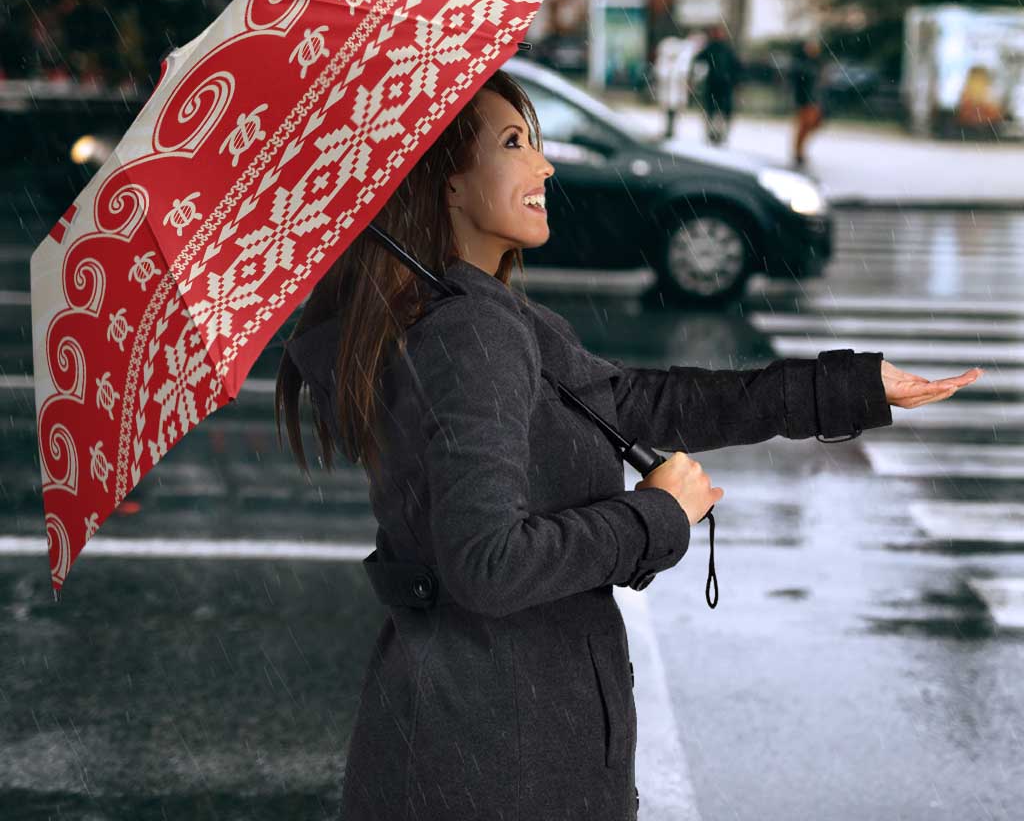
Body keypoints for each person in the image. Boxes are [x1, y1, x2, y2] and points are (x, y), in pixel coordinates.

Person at [276, 68, 982, 821]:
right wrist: (655, 516)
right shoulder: (471, 333)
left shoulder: (470, 316)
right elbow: (488, 564)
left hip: (473, 737)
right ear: (446, 182)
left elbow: (640, 403)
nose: (544, 165)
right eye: (514, 143)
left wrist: (849, 387)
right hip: (499, 758)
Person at [692, 23, 742, 146]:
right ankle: (713, 134)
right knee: (714, 111)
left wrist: (735, 81)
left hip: (722, 86)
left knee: (719, 112)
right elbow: (698, 60)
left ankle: (719, 134)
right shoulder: (714, 48)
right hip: (716, 85)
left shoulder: (724, 49)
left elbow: (736, 67)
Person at [790, 36, 826, 167]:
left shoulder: (816, 63)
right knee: (804, 126)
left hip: (814, 100)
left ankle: (799, 151)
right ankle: (798, 152)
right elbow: (799, 83)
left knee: (812, 124)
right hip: (805, 100)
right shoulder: (802, 64)